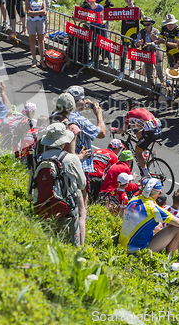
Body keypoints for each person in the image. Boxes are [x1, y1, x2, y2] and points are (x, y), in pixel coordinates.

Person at [29, 122, 86, 246]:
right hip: (66, 210)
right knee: (71, 247)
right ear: (63, 141)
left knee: (46, 245)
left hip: (42, 208)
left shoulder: (37, 159)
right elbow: (82, 184)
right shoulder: (71, 158)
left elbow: (31, 187)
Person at [65, 85, 106, 246]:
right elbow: (101, 133)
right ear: (78, 101)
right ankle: (79, 242)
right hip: (82, 164)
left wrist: (82, 106)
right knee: (82, 206)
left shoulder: (61, 114)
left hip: (65, 161)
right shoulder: (79, 120)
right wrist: (99, 115)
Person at [119, 178, 179, 255]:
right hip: (137, 251)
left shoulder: (133, 200)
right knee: (177, 228)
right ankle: (169, 260)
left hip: (121, 245)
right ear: (159, 193)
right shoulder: (154, 209)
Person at [111, 99, 162, 179]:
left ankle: (146, 175)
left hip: (150, 134)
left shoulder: (129, 114)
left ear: (129, 106)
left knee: (137, 152)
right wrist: (131, 126)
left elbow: (123, 130)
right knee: (138, 134)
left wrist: (115, 130)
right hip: (158, 130)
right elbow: (141, 125)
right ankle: (146, 153)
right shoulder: (142, 110)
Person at [83, 0, 113, 69]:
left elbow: (105, 17)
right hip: (93, 27)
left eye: (93, 1)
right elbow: (85, 18)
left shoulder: (100, 7)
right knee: (94, 44)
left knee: (105, 43)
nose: (91, 3)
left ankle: (110, 60)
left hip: (101, 28)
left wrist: (103, 22)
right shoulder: (88, 8)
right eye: (90, 1)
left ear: (95, 0)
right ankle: (93, 60)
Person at [136, 16, 164, 88]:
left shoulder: (156, 31)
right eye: (144, 25)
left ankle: (165, 89)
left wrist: (150, 43)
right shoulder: (142, 32)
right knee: (149, 74)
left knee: (160, 73)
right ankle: (151, 89)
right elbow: (136, 42)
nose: (146, 26)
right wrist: (138, 43)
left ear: (151, 24)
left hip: (156, 54)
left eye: (147, 24)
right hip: (147, 55)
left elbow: (158, 42)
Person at [119, 0, 142, 80]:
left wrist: (142, 15)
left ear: (133, 0)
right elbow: (117, 18)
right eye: (127, 1)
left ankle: (132, 71)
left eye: (130, 0)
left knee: (132, 53)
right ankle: (121, 72)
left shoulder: (138, 10)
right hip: (125, 34)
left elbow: (142, 20)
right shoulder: (124, 10)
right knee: (123, 53)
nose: (129, 2)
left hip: (134, 34)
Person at [25, 0, 47, 68]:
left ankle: (42, 60)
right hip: (31, 22)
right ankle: (34, 59)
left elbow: (44, 11)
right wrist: (39, 12)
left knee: (41, 41)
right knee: (32, 41)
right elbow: (28, 12)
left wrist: (34, 13)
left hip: (40, 22)